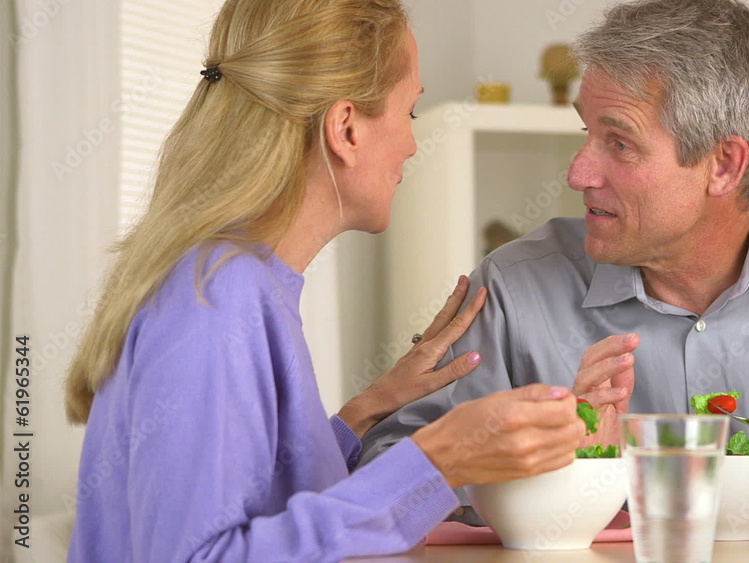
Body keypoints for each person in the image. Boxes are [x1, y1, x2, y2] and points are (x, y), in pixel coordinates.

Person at [361, 0, 749, 529]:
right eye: (586, 132)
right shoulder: (510, 290)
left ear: (723, 164)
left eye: (620, 142)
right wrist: (544, 472)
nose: (578, 171)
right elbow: (380, 483)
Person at [63, 1, 588, 560]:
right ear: (345, 129)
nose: (412, 143)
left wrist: (363, 412)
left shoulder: (246, 281)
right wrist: (441, 457)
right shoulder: (217, 296)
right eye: (409, 113)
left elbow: (259, 508)